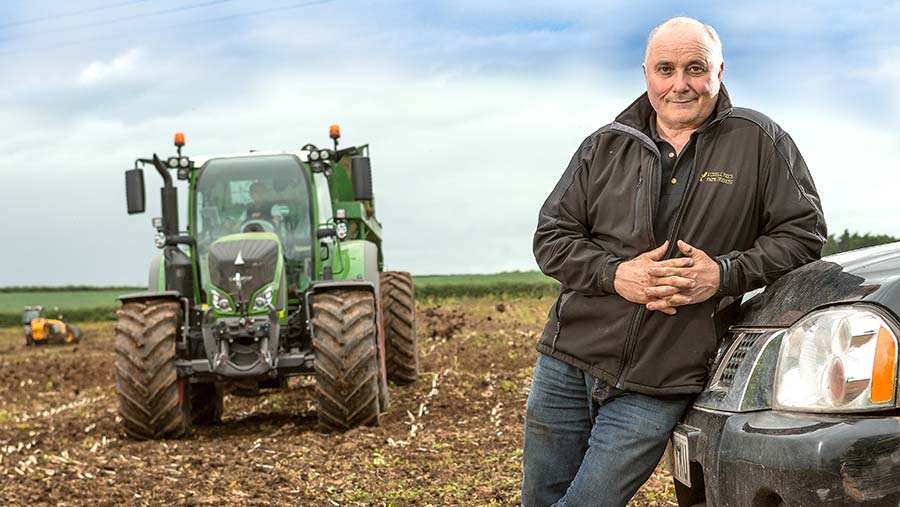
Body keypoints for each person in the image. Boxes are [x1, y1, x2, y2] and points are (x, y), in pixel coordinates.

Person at [522, 16, 825, 507]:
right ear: (646, 73)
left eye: (695, 68)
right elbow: (551, 237)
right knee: (540, 499)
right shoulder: (605, 145)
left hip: (661, 379)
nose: (679, 84)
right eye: (666, 69)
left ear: (720, 71)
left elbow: (804, 234)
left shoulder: (759, 142)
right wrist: (616, 275)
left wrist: (724, 275)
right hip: (567, 362)